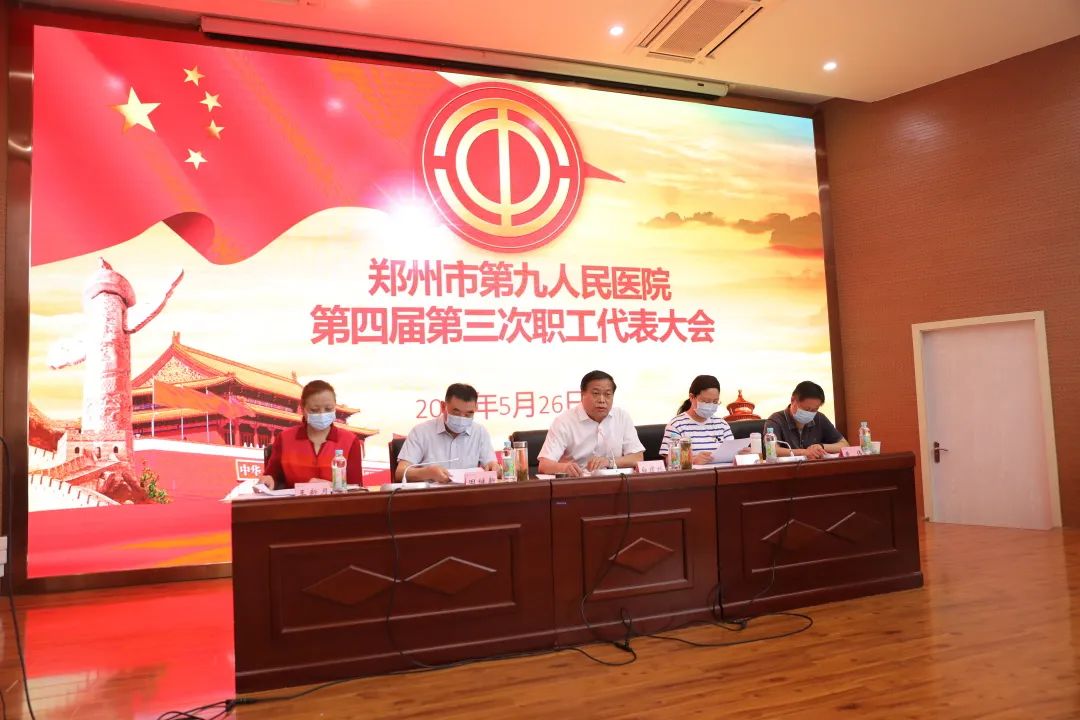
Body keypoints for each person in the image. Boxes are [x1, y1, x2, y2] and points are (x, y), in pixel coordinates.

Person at [538, 370, 644, 477]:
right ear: (582, 395)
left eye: (607, 394)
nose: (602, 400)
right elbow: (544, 465)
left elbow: (638, 457)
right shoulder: (564, 422)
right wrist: (565, 468)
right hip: (577, 482)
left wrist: (609, 462)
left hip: (615, 481)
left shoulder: (622, 416)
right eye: (596, 393)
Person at [260, 380, 363, 489]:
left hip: (336, 500)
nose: (322, 414)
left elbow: (357, 488)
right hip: (296, 500)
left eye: (328, 409)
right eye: (314, 410)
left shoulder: (350, 441)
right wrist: (268, 480)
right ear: (303, 409)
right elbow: (272, 476)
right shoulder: (284, 438)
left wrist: (330, 486)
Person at [395, 383, 500, 483]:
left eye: (468, 414)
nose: (462, 418)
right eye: (456, 412)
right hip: (431, 494)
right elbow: (400, 473)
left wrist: (494, 468)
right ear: (443, 406)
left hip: (468, 494)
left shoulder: (480, 432)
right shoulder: (421, 431)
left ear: (476, 409)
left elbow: (492, 466)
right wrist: (428, 473)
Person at [661, 375, 735, 466]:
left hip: (722, 473)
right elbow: (669, 460)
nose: (711, 405)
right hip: (693, 474)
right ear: (692, 397)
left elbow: (731, 452)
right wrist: (692, 460)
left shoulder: (722, 424)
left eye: (715, 402)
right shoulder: (676, 425)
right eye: (706, 401)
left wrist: (740, 454)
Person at [766, 381, 849, 459]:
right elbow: (772, 450)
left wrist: (821, 446)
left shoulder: (819, 418)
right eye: (806, 409)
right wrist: (803, 452)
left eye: (814, 410)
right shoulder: (776, 420)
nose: (810, 413)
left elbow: (844, 445)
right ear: (793, 400)